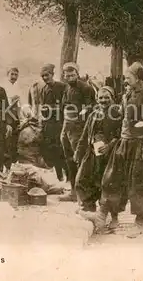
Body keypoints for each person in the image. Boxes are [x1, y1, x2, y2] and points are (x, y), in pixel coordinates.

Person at [82, 62, 143, 238]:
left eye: (128, 77)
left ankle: (138, 223)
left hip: (140, 145)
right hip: (124, 143)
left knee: (138, 183)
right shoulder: (127, 94)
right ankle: (107, 216)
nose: (125, 80)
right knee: (111, 178)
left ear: (138, 78)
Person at [74, 86, 122, 216]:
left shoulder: (117, 115)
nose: (103, 100)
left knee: (108, 184)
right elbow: (85, 136)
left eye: (107, 97)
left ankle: (112, 216)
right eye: (101, 98)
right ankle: (89, 209)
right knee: (82, 179)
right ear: (96, 99)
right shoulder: (93, 115)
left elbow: (120, 135)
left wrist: (109, 146)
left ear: (112, 99)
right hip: (92, 153)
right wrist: (78, 152)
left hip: (109, 156)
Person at [59, 62, 97, 202]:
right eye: (67, 75)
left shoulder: (86, 88)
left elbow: (93, 104)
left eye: (73, 75)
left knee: (79, 158)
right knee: (68, 158)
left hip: (79, 127)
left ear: (77, 74)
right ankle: (73, 191)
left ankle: (83, 193)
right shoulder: (67, 88)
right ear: (64, 76)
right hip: (67, 126)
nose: (70, 78)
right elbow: (64, 105)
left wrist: (85, 110)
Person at [38, 64, 68, 181]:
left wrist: (53, 109)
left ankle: (69, 177)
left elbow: (66, 104)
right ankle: (59, 176)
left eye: (47, 75)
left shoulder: (62, 86)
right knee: (52, 150)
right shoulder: (43, 89)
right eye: (43, 76)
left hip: (61, 123)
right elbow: (43, 107)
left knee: (63, 150)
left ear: (52, 75)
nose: (45, 78)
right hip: (49, 125)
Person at [2, 67, 22, 169]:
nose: (14, 76)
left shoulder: (17, 86)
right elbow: (4, 105)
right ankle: (7, 165)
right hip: (7, 115)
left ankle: (14, 164)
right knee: (7, 141)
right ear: (7, 75)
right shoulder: (4, 87)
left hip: (15, 116)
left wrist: (20, 117)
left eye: (16, 75)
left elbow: (19, 104)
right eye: (12, 74)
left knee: (15, 140)